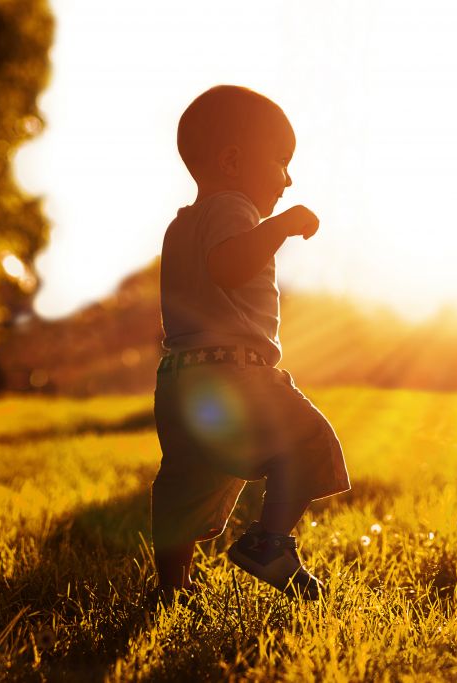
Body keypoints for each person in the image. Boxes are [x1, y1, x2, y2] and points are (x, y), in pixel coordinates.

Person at [151, 85, 351, 602]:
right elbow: (229, 267)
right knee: (307, 442)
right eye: (282, 162)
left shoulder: (180, 227)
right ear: (233, 160)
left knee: (185, 487)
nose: (289, 178)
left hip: (182, 378)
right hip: (234, 372)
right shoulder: (233, 209)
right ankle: (269, 542)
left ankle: (172, 589)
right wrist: (280, 226)